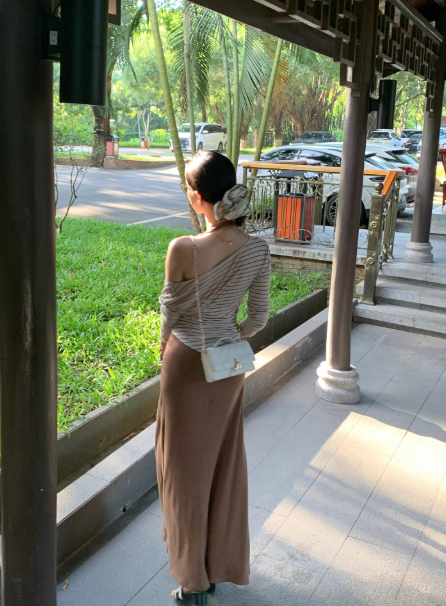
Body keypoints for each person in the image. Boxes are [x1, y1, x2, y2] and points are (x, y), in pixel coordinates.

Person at [156, 150, 271, 605]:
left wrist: (165, 347)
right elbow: (258, 318)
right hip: (228, 368)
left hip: (186, 364)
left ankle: (193, 584)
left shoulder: (183, 248)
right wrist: (228, 336)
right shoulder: (258, 249)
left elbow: (170, 317)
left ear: (197, 198)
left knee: (183, 471)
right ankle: (216, 565)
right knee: (222, 464)